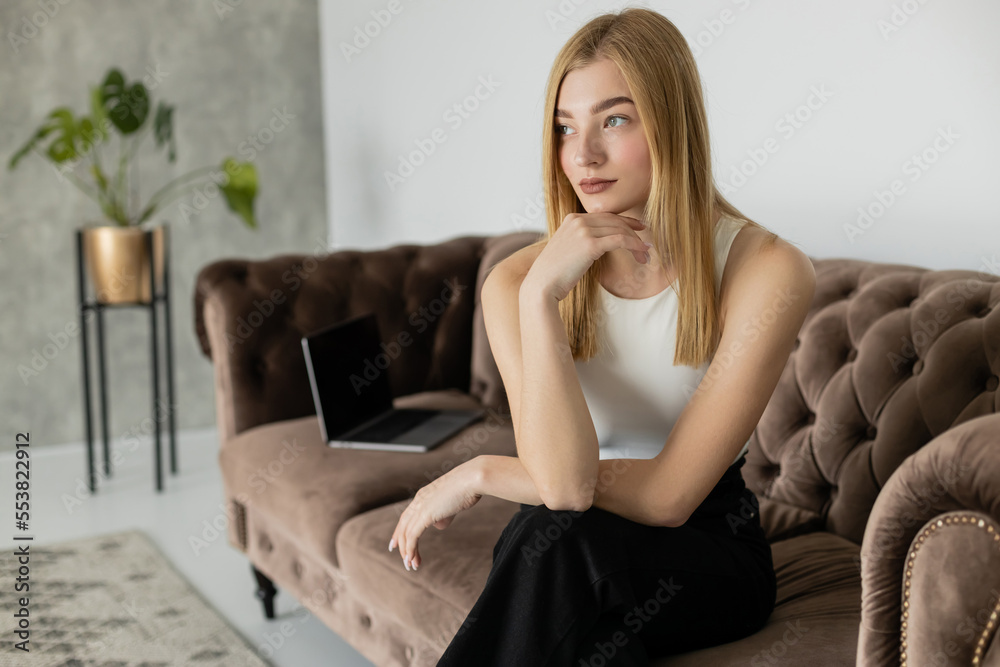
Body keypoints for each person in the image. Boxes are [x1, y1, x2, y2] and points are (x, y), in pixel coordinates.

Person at [388, 7, 816, 665]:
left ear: (672, 123)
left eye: (614, 119)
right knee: (573, 594)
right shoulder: (517, 284)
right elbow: (562, 486)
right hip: (571, 534)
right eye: (566, 129)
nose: (582, 155)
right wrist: (540, 301)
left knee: (550, 535)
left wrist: (482, 470)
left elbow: (669, 497)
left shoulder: (767, 270)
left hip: (708, 547)